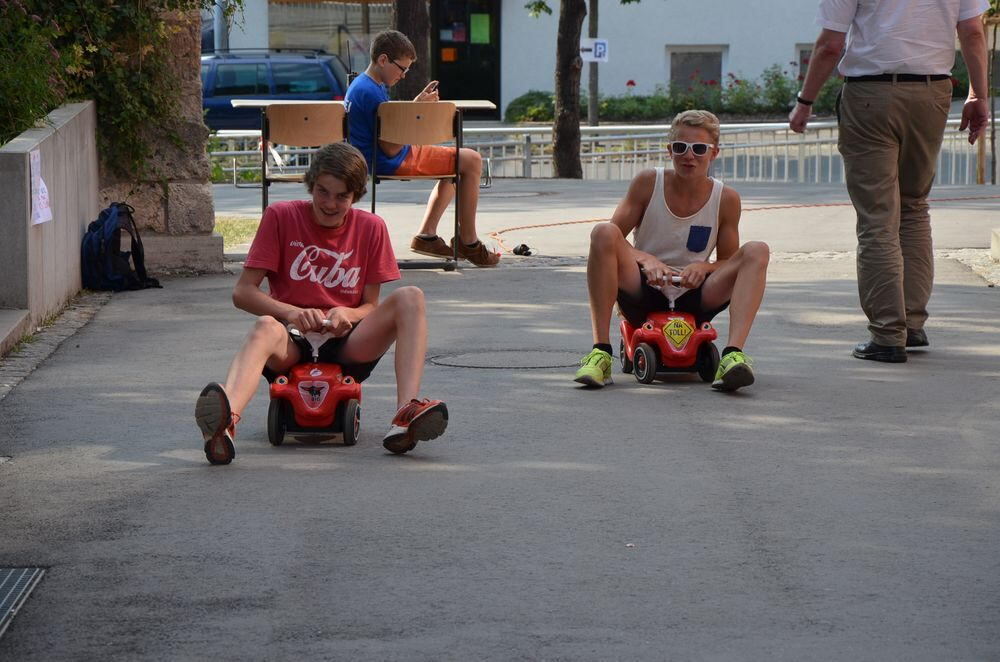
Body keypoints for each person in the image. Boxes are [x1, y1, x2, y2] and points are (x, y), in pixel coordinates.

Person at [195, 142, 448, 465]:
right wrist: (291, 312)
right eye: (322, 192)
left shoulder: (371, 227)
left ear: (355, 196)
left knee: (411, 296)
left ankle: (405, 414)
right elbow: (243, 292)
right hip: (291, 343)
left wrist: (349, 313)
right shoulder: (280, 217)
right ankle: (225, 423)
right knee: (263, 325)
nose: (330, 203)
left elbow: (371, 305)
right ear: (310, 185)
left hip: (348, 345)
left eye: (342, 196)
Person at [790, 0, 990, 363]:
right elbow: (973, 31)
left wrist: (805, 101)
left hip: (870, 95)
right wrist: (978, 94)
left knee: (878, 217)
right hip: (932, 93)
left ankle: (887, 333)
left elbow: (829, 45)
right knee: (914, 206)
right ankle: (911, 323)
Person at [574, 110, 770, 392]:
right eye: (680, 148)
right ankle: (600, 352)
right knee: (602, 232)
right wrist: (645, 259)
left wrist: (704, 268)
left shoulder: (726, 198)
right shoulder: (647, 182)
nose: (688, 156)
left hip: (695, 292)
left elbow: (727, 260)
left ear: (713, 153)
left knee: (757, 251)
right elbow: (614, 237)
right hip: (643, 287)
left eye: (699, 149)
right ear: (670, 150)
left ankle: (732, 355)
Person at [344, 29, 500, 267]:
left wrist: (414, 107)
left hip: (375, 157)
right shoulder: (370, 92)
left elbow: (387, 129)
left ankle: (427, 235)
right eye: (402, 68)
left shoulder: (365, 85)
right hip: (388, 160)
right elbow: (390, 148)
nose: (404, 75)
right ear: (383, 59)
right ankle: (468, 242)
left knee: (459, 162)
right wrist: (417, 113)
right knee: (472, 160)